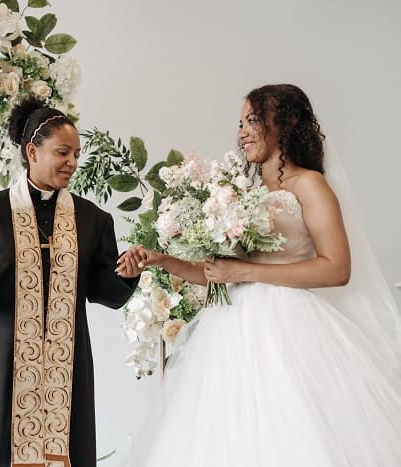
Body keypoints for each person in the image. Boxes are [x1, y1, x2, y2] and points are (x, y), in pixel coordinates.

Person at [118, 84, 401, 466]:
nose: (243, 132)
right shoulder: (237, 191)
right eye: (240, 123)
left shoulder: (309, 184)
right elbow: (216, 272)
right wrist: (162, 259)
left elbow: (337, 268)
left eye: (253, 120)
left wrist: (246, 270)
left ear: (287, 122)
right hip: (230, 331)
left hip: (290, 328)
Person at [0, 97, 142, 467]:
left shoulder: (94, 219)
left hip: (65, 364)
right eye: (63, 152)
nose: (72, 162)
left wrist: (125, 274)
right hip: (2, 362)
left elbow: (103, 290)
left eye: (76, 154)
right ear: (32, 151)